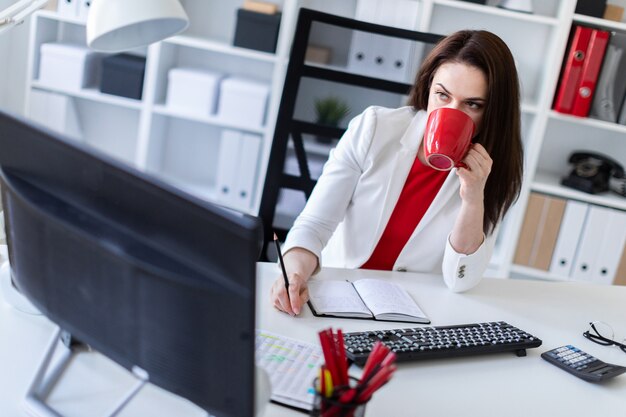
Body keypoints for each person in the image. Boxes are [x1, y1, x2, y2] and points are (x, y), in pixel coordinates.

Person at [271, 30, 523, 316]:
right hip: (338, 297)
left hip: (413, 312)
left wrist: (473, 196)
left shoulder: (490, 168)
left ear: (492, 111)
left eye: (473, 104)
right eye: (442, 95)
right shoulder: (374, 127)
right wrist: (293, 275)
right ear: (428, 88)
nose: (453, 112)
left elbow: (460, 280)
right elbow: (315, 224)